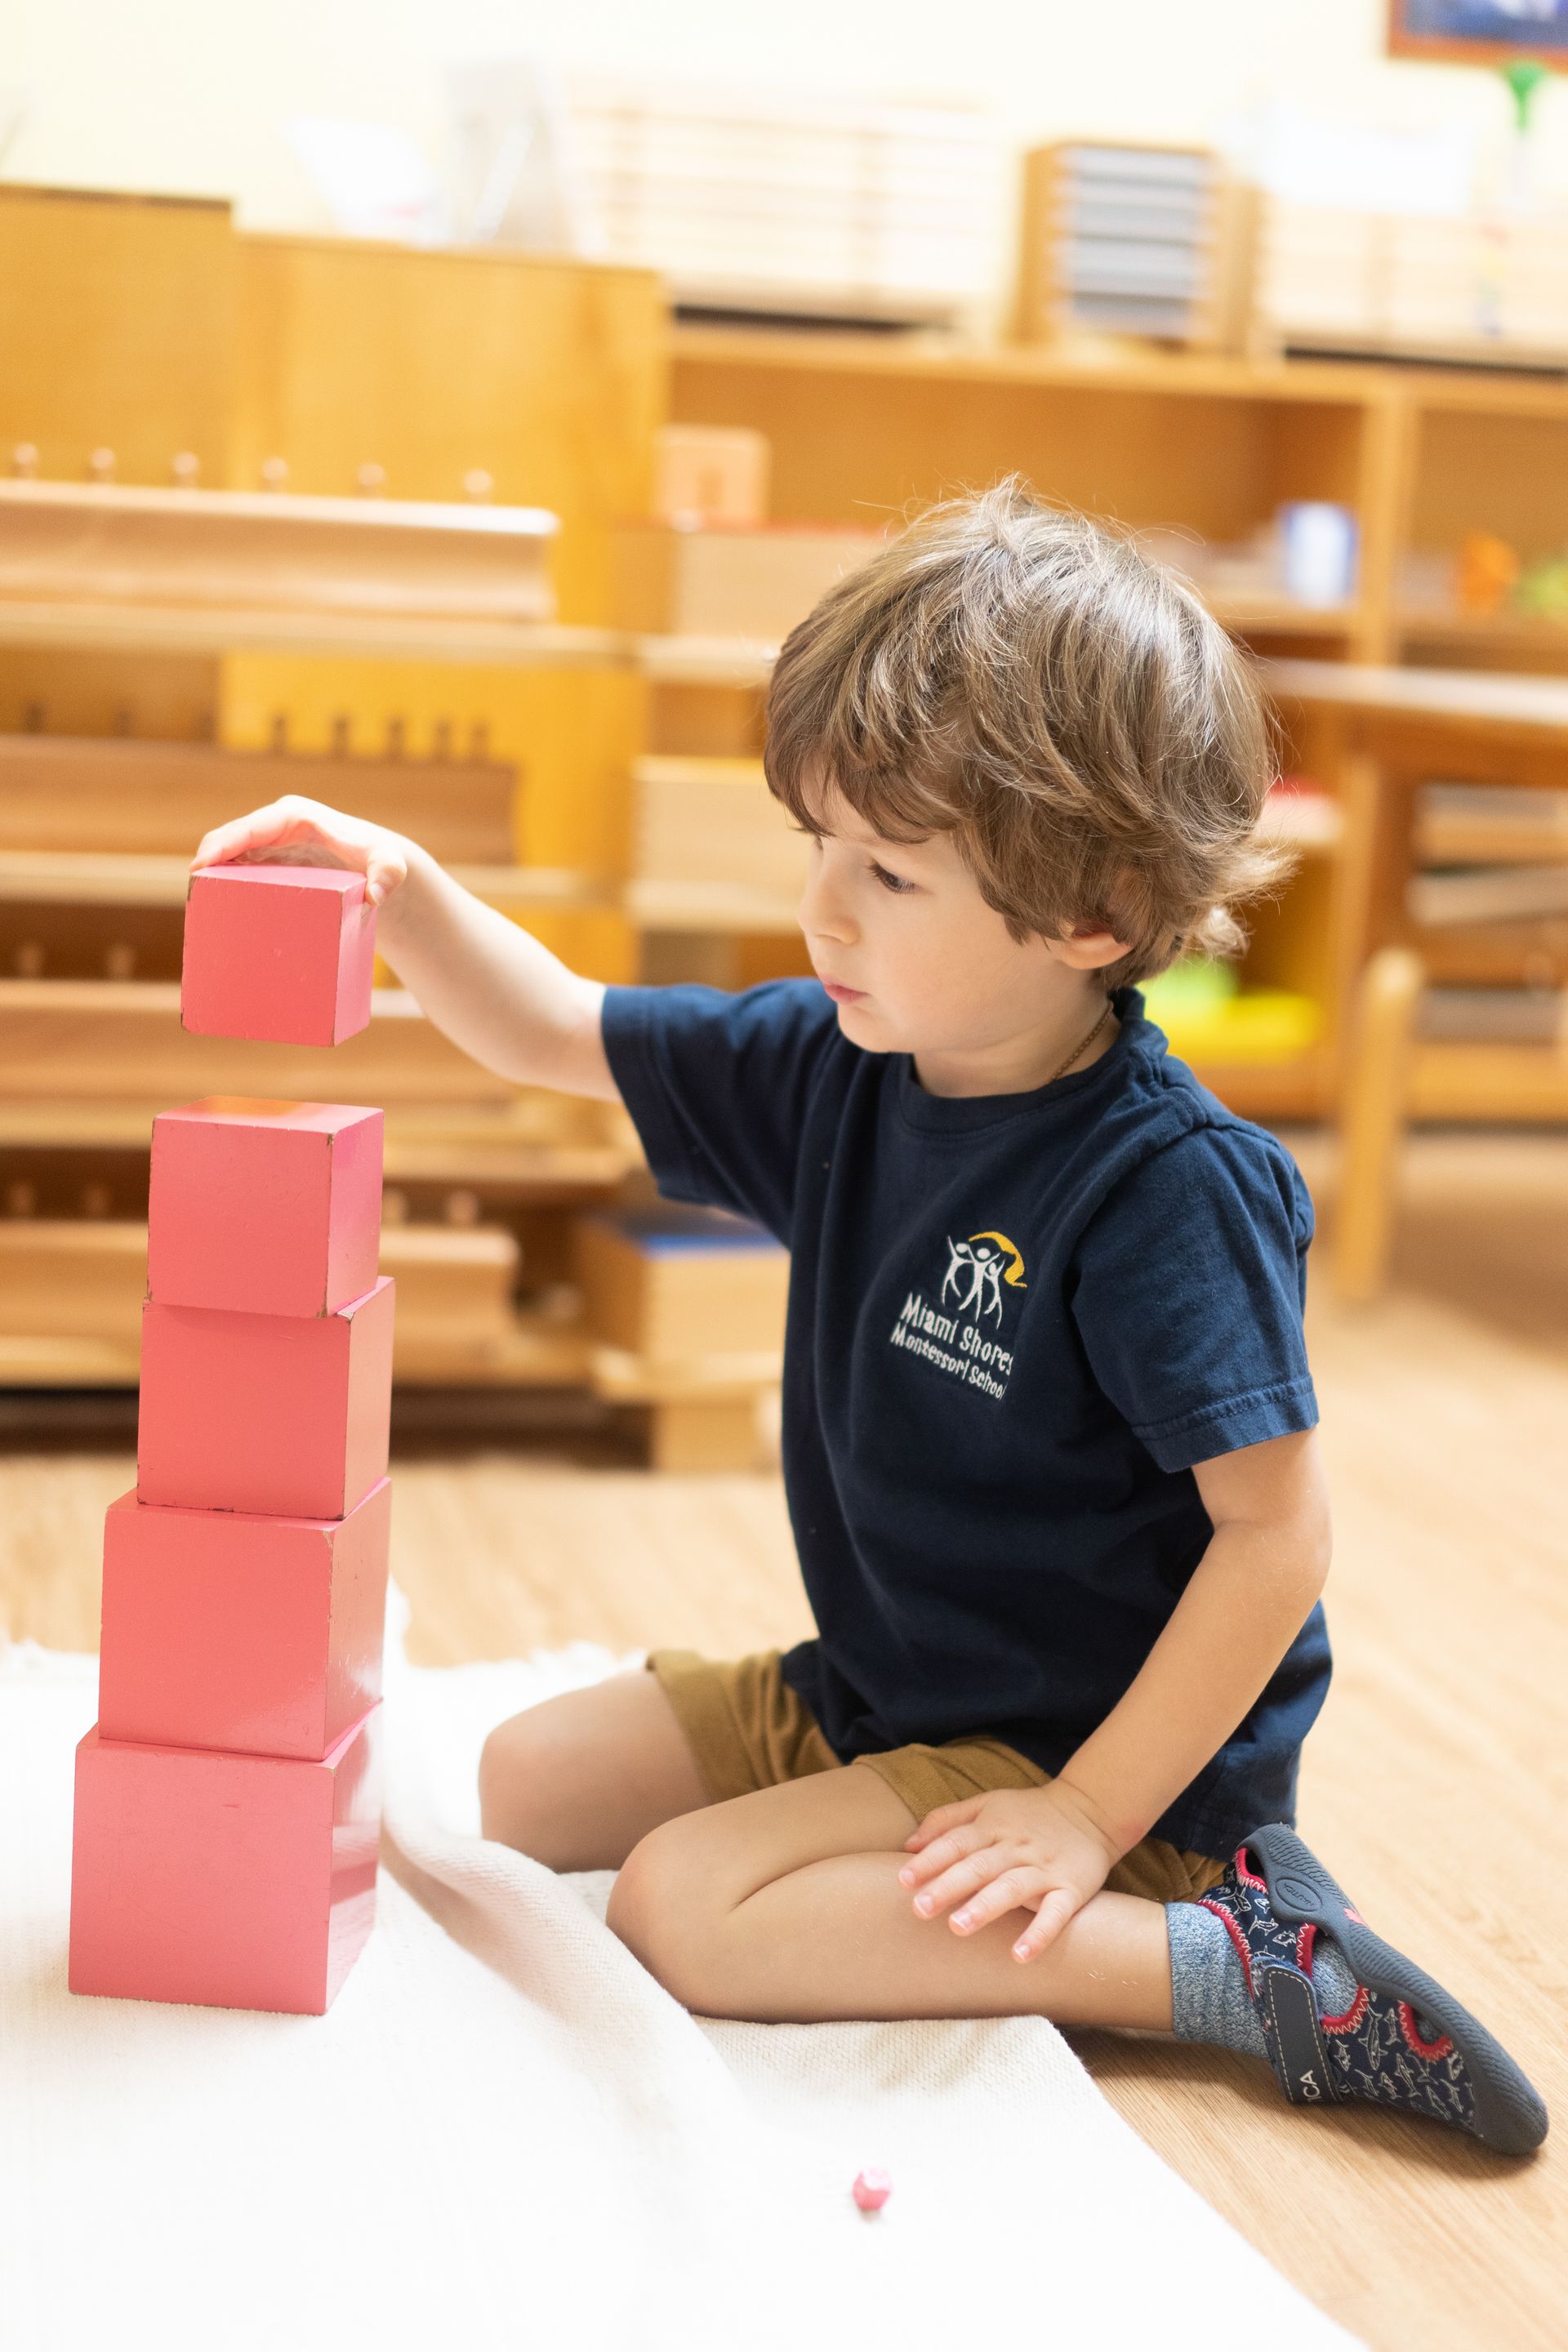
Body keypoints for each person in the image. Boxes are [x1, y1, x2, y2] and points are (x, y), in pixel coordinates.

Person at [194, 485, 1546, 2154]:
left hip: (1095, 1748)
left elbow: (1275, 1541)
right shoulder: (845, 1058)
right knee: (527, 1783)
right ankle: (906, 1829)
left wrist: (1078, 1814)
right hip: (894, 1681)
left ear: (1093, 917)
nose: (824, 912)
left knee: (684, 1915)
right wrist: (396, 887)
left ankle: (1235, 1965)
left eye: (891, 874)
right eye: (817, 847)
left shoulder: (1165, 1189)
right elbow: (554, 1027)